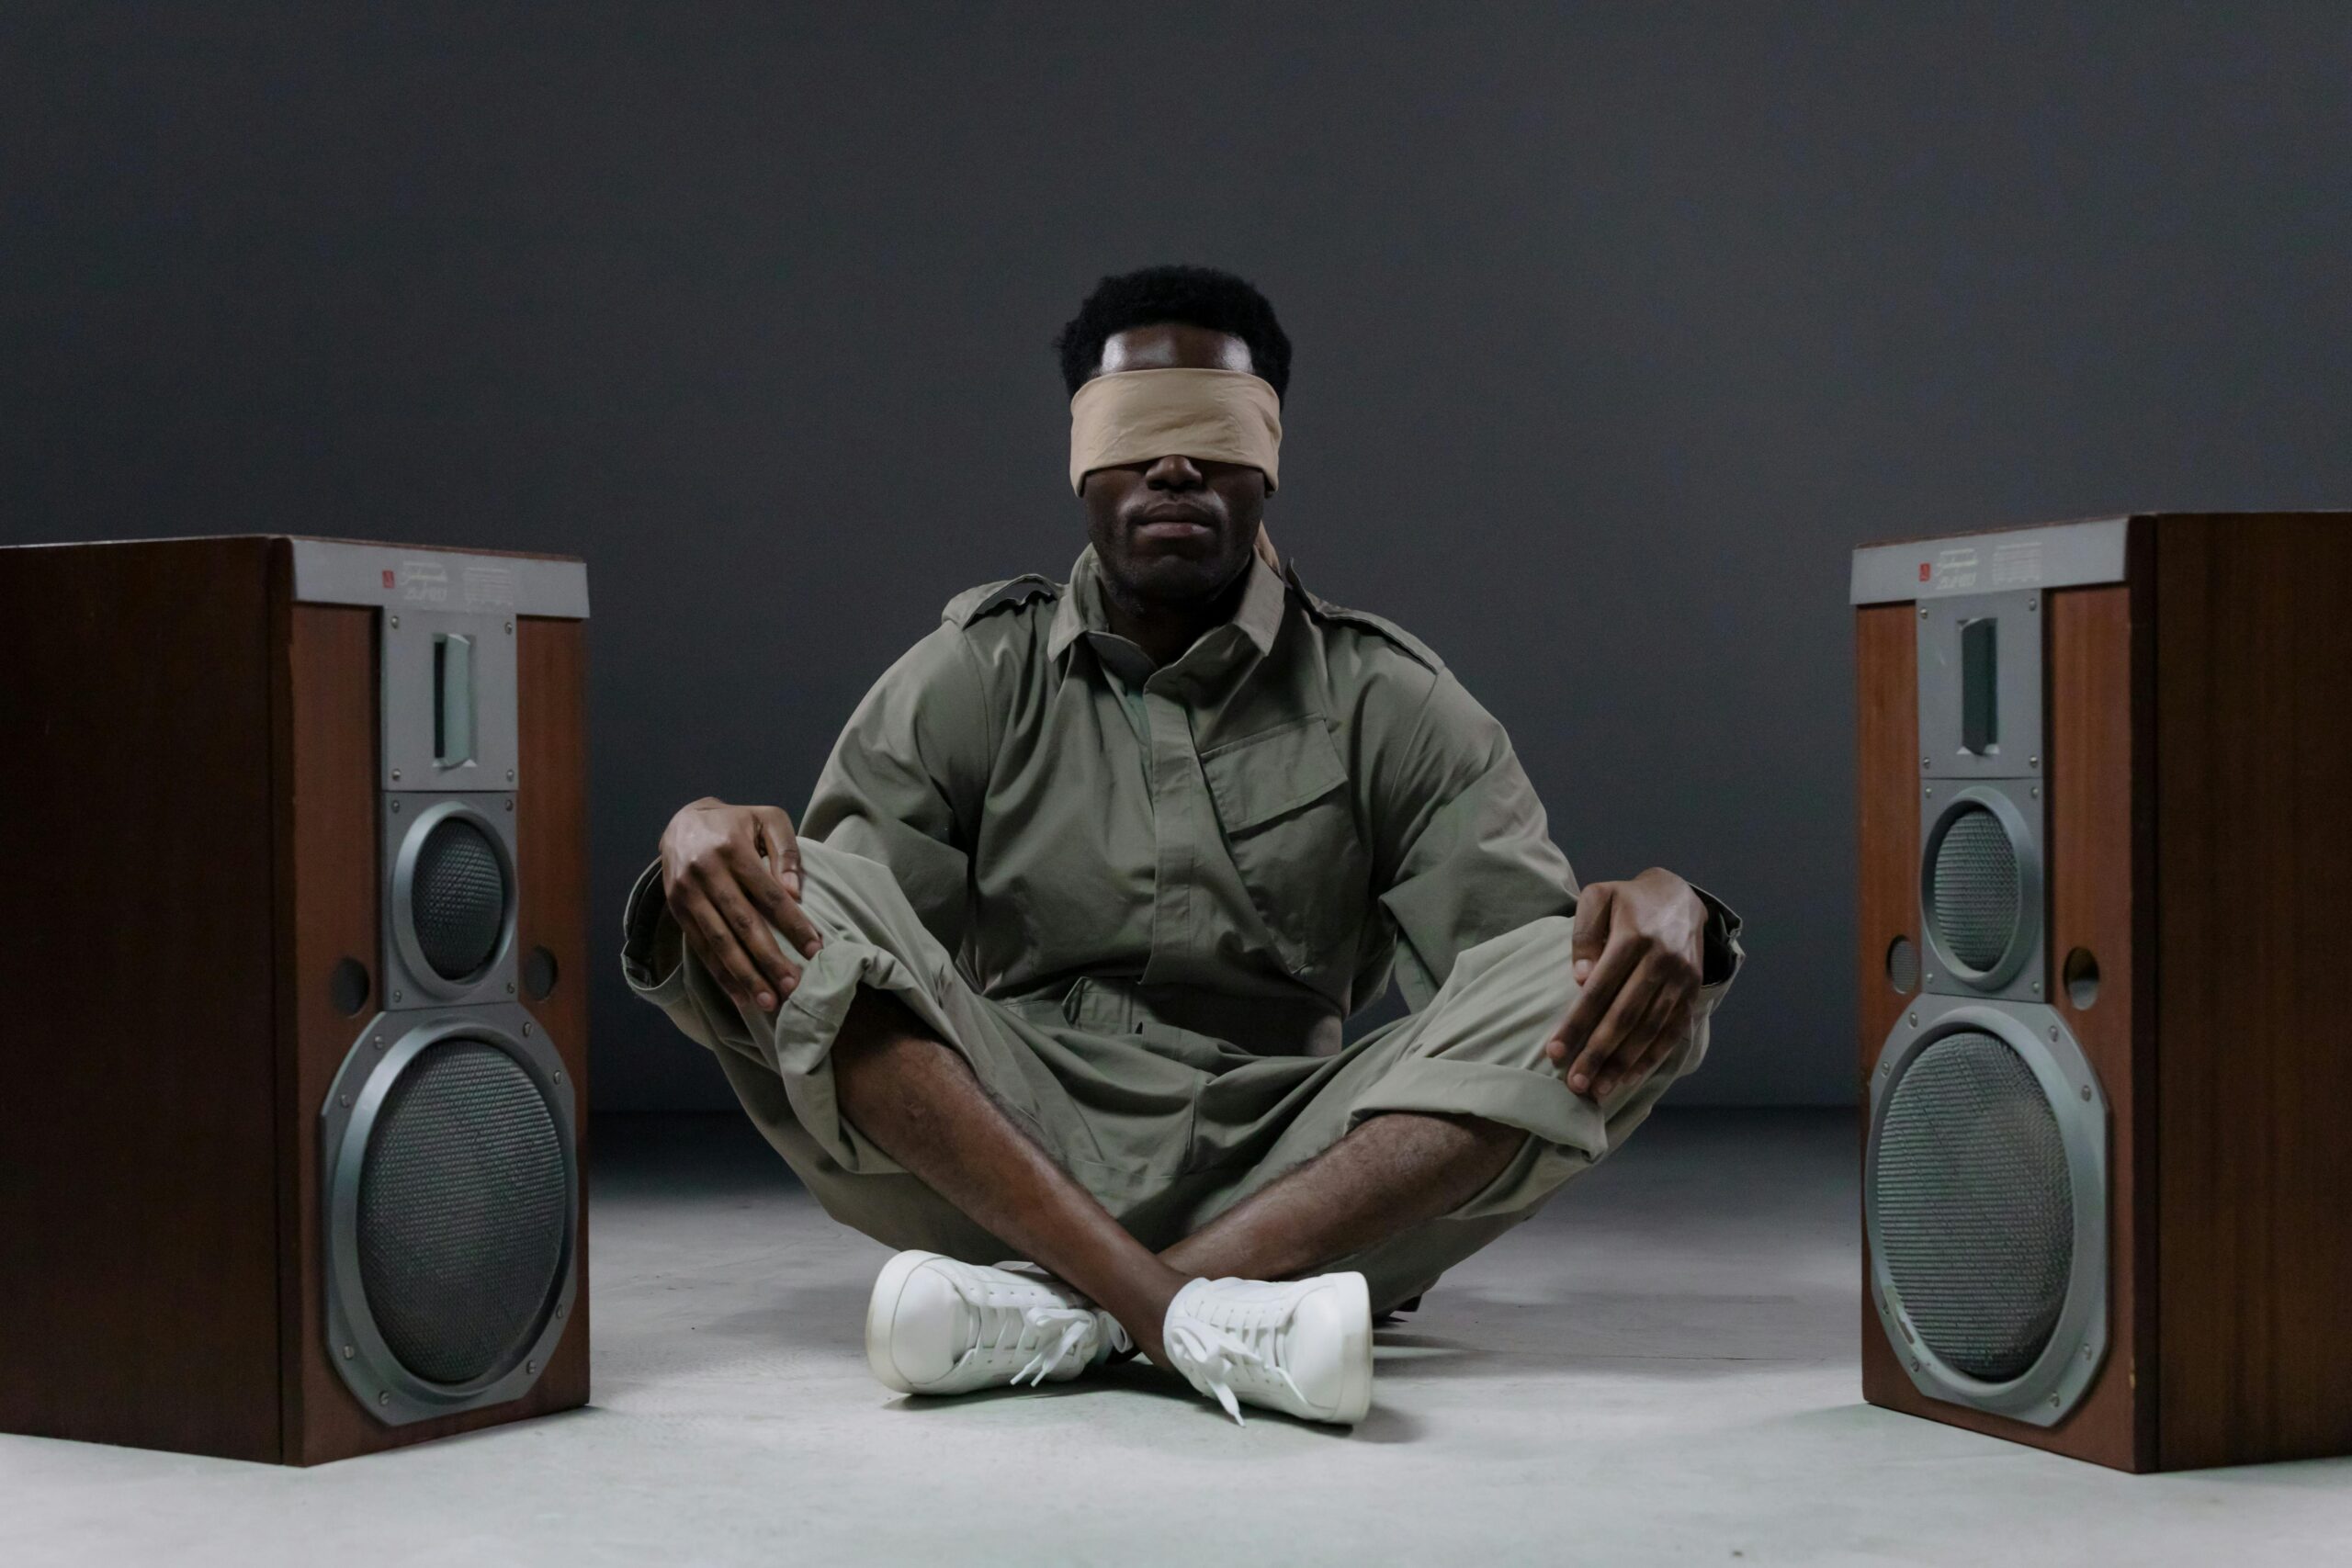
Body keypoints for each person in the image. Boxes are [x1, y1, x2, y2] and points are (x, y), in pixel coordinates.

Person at [620, 265, 1744, 1427]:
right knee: (764, 894)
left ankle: (1076, 1315)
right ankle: (1195, 1318)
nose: (1172, 464)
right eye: (1136, 433)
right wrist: (707, 841)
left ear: (1268, 461)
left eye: (1211, 431)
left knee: (1611, 972)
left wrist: (1666, 917)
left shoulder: (1389, 700)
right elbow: (845, 936)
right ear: (1080, 462)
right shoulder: (971, 674)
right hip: (1009, 1135)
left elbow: (1526, 974)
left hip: (1302, 1161)